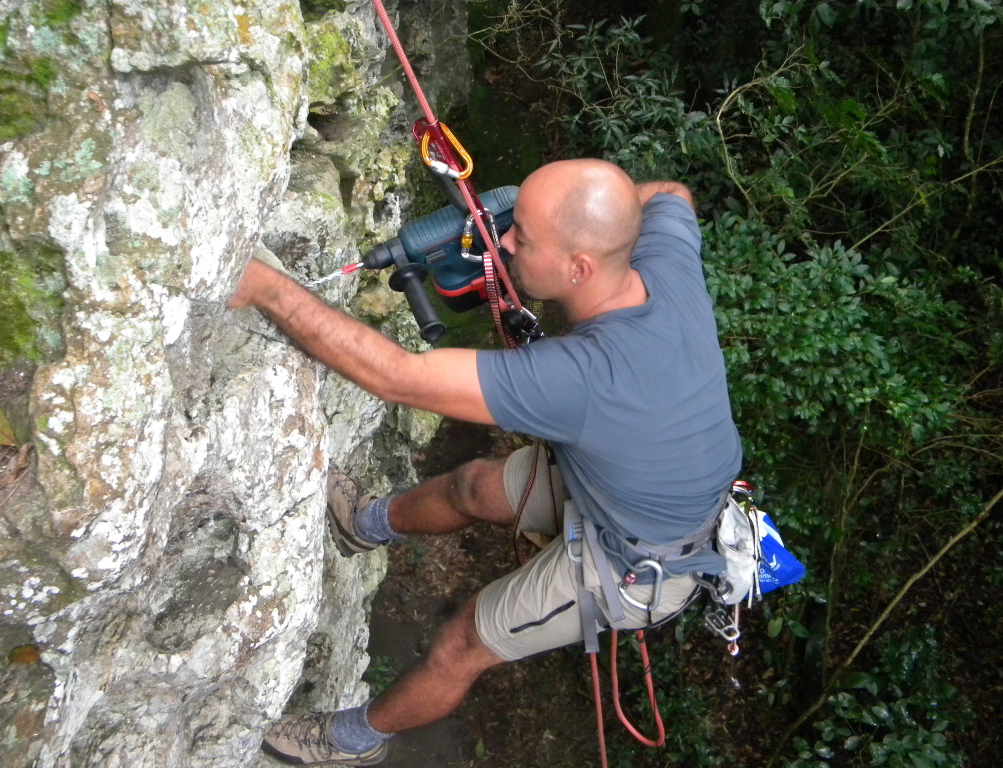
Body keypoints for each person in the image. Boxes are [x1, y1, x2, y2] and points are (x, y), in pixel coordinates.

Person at [228, 158, 742, 767]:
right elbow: (670, 191)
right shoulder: (662, 261)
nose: (501, 240)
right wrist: (573, 212)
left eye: (522, 236)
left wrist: (260, 286)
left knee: (464, 641)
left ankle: (353, 740)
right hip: (632, 482)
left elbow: (398, 377)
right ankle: (363, 524)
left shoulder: (581, 379)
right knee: (474, 486)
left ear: (580, 266)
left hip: (641, 562)